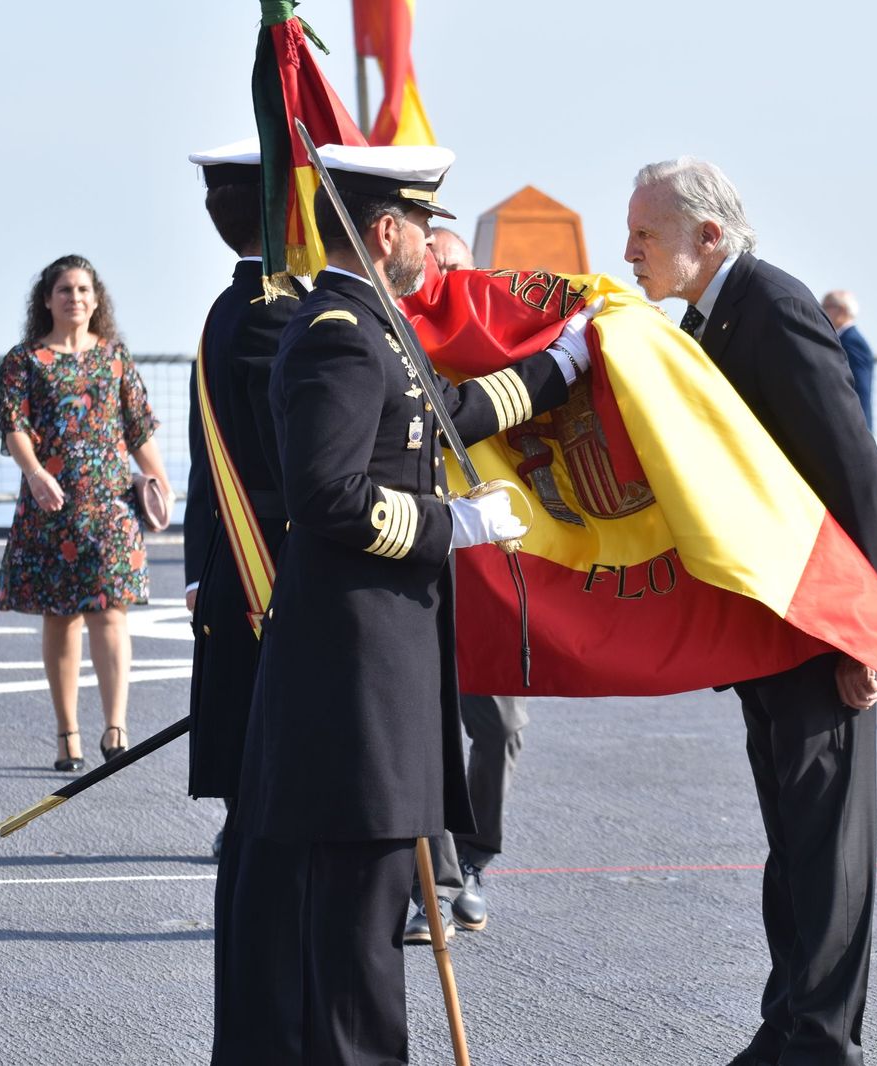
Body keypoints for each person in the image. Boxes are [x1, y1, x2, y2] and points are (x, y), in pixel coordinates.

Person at [221, 143, 596, 1065]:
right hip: (355, 675)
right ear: (386, 229)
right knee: (355, 923)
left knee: (366, 908)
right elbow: (328, 496)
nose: (433, 245)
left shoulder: (367, 325)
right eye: (425, 226)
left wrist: (566, 364)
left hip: (374, 666)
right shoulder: (343, 336)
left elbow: (446, 414)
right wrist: (453, 524)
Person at [625, 157, 877, 1066]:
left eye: (644, 235)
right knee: (792, 844)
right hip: (765, 629)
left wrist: (868, 630)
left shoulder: (772, 306)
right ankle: (788, 1027)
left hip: (818, 626)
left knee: (825, 852)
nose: (629, 252)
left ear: (708, 237)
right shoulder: (706, 320)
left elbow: (850, 464)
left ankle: (822, 1043)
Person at [179, 137, 307, 1055]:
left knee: (263, 832)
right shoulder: (276, 315)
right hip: (279, 589)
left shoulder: (234, 306)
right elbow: (292, 469)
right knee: (277, 831)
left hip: (241, 579)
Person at [400, 225, 532, 945]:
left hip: (495, 564)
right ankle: (439, 884)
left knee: (501, 726)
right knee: (427, 726)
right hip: (425, 553)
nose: (444, 279)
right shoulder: (397, 342)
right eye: (434, 267)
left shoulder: (497, 345)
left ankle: (476, 857)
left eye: (457, 269)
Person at [0, 255, 170, 773]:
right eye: (65, 289)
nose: (75, 298)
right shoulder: (25, 360)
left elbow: (138, 429)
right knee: (61, 616)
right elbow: (14, 425)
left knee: (112, 613)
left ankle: (116, 727)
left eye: (84, 289)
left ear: (97, 299)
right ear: (46, 299)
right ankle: (68, 731)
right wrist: (34, 473)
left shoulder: (114, 358)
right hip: (51, 506)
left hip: (110, 507)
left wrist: (160, 484)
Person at [821, 289, 877, 579]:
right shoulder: (848, 340)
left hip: (853, 430)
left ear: (838, 311)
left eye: (825, 307)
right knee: (866, 493)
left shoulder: (852, 343)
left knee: (865, 493)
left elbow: (857, 390)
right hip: (855, 430)